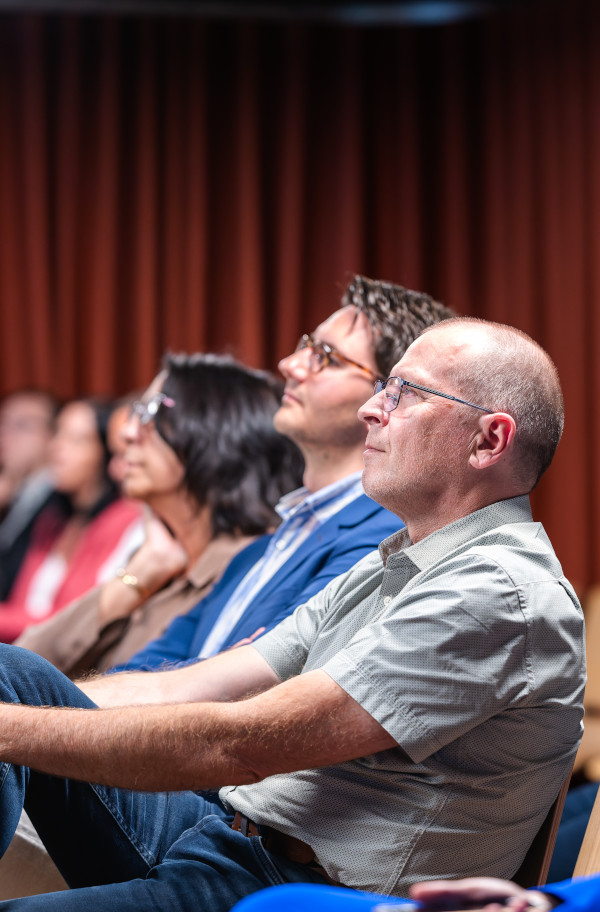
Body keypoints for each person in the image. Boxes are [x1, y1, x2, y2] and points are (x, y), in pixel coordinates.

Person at [0, 316, 584, 911]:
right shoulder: (399, 559)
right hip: (226, 837)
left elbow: (243, 744)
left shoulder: (499, 592)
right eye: (385, 385)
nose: (372, 409)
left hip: (293, 891)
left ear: (488, 441)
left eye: (406, 393)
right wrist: (16, 713)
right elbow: (202, 682)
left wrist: (12, 728)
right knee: (10, 672)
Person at [118, 275, 453, 670]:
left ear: (390, 394)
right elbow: (145, 668)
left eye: (325, 356)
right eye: (305, 346)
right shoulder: (264, 546)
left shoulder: (384, 540)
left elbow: (257, 686)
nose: (289, 365)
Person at [14, 354, 304, 677]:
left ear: (213, 432)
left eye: (150, 412)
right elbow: (21, 663)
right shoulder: (161, 560)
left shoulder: (252, 571)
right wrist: (139, 576)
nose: (127, 434)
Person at [0, 398, 143, 643]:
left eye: (77, 440)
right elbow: (21, 600)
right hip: (24, 650)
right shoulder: (52, 518)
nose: (57, 448)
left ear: (104, 452)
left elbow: (74, 620)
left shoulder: (123, 518)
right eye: (58, 434)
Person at [0, 390, 59, 600]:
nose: (6, 435)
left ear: (53, 435)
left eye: (21, 425)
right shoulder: (16, 494)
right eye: (3, 424)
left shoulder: (62, 502)